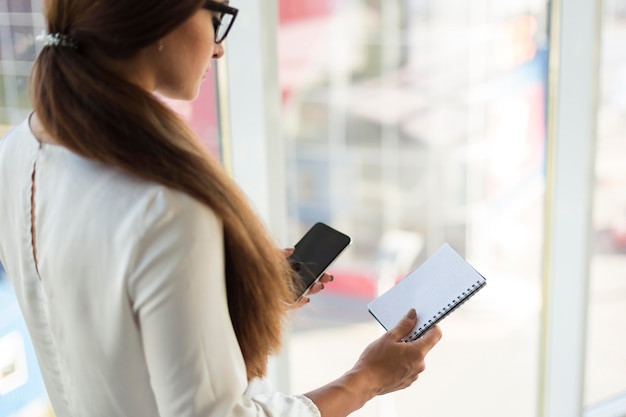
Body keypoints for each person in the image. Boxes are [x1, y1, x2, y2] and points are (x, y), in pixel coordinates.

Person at [0, 1, 442, 416]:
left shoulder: (17, 152)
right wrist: (365, 381)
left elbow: (105, 330)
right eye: (217, 17)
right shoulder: (168, 210)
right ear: (162, 15)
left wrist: (225, 287)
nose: (219, 47)